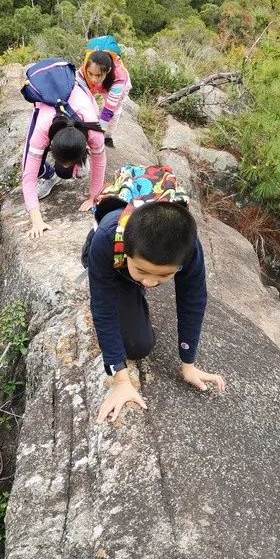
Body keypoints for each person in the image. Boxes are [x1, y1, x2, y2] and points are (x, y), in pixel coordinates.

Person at [81, 165, 225, 423]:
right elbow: (102, 308)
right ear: (126, 251)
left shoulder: (189, 249)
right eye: (143, 271)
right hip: (108, 239)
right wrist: (120, 379)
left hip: (131, 250)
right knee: (136, 345)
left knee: (138, 342)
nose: (149, 282)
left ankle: (133, 284)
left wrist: (188, 363)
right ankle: (111, 267)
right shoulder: (108, 238)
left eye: (163, 275)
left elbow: (193, 299)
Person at [20, 64, 107, 240]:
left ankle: (75, 164)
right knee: (38, 169)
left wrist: (94, 198)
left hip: (79, 98)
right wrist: (37, 221)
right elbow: (28, 178)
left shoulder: (94, 131)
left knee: (65, 172)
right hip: (47, 104)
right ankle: (51, 175)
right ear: (51, 145)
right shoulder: (43, 130)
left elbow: (100, 161)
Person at [80, 40, 132, 148]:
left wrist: (99, 134)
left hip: (114, 86)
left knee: (114, 111)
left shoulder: (118, 78)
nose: (94, 79)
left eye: (98, 75)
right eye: (90, 74)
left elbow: (109, 109)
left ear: (107, 70)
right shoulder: (87, 67)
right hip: (103, 84)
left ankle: (108, 136)